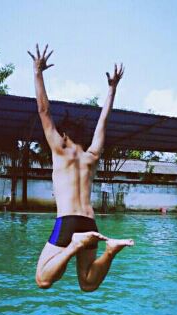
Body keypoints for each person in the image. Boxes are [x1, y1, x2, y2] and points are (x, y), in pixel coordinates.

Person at [28, 44, 134, 292]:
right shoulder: (92, 156)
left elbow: (43, 110)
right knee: (87, 283)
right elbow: (103, 123)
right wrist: (112, 89)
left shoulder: (59, 149)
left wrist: (38, 72)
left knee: (43, 280)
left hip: (68, 221)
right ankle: (110, 250)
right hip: (89, 222)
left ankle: (74, 245)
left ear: (64, 135)